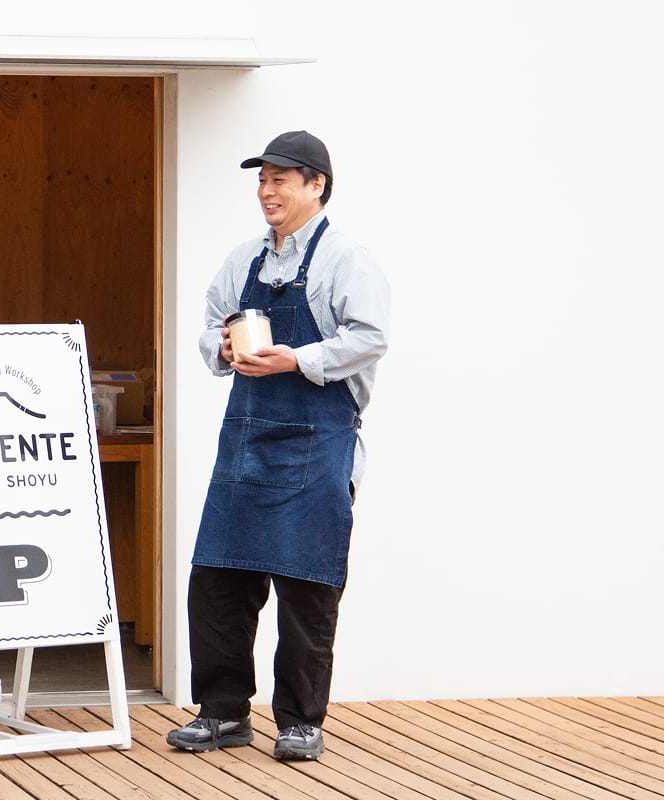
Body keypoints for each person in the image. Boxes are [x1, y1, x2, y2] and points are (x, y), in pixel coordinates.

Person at [166, 131, 389, 761]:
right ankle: (222, 714)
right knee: (217, 582)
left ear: (316, 185)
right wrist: (226, 349)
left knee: (307, 587)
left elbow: (369, 337)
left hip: (320, 444)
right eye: (262, 180)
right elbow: (211, 325)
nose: (267, 192)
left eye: (280, 179)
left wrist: (297, 358)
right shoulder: (244, 260)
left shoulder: (347, 259)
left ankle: (300, 721)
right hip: (246, 442)